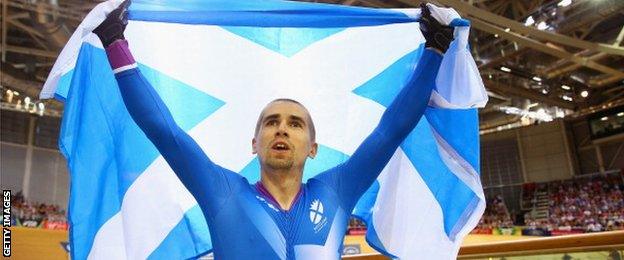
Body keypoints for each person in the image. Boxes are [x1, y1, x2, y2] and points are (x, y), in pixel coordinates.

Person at [93, 1, 454, 259]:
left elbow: (390, 131)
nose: (282, 129)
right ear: (255, 144)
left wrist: (435, 48)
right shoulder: (224, 193)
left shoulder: (336, 191)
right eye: (271, 122)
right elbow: (166, 132)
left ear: (313, 147)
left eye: (295, 124)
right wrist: (114, 41)